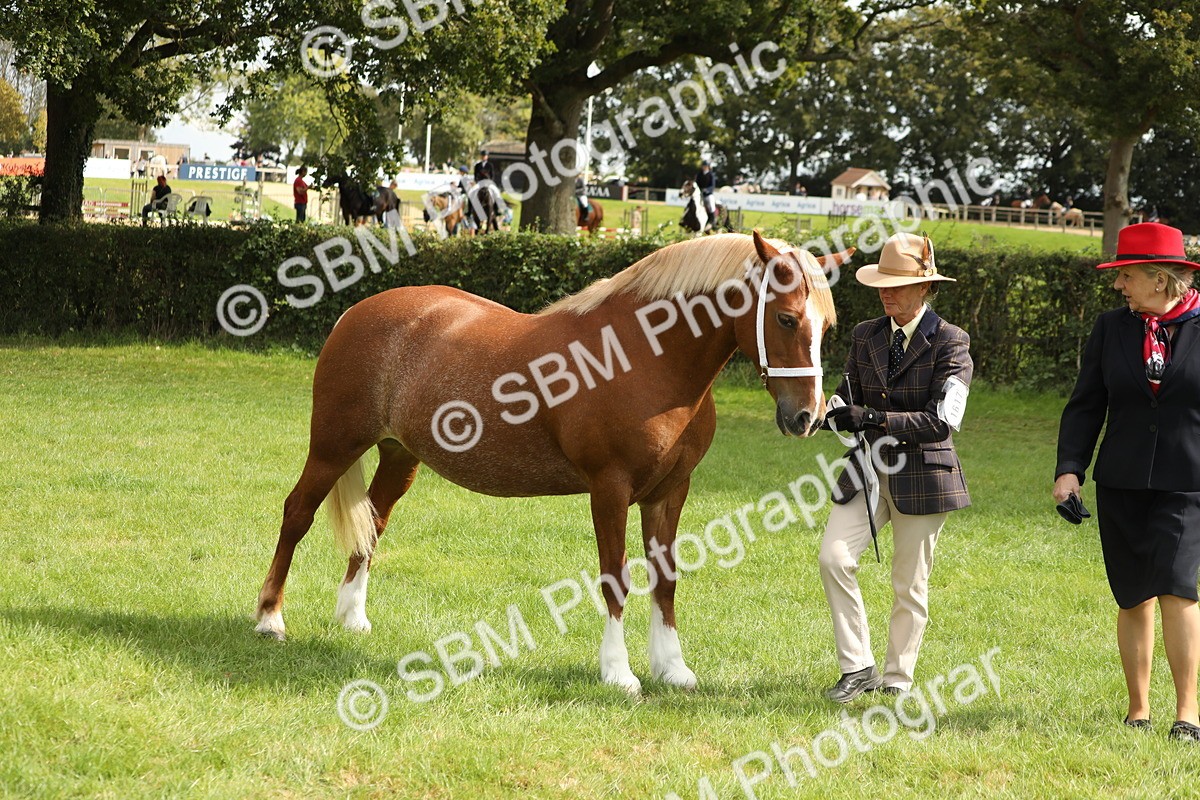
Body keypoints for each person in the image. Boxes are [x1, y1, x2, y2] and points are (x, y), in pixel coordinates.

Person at [1055, 222, 1200, 742]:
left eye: (1127, 275)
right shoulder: (1110, 328)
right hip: (1121, 479)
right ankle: (1138, 710)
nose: (1119, 285)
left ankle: (1188, 714)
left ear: (1160, 278)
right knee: (1132, 594)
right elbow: (1086, 404)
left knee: (1178, 589)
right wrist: (1069, 469)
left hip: (1189, 482)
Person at [818, 231, 972, 703]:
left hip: (926, 474)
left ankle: (897, 680)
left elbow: (942, 421)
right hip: (867, 469)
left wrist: (872, 418)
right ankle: (858, 666)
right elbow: (849, 396)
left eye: (896, 284)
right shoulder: (866, 334)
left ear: (924, 287)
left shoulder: (952, 341)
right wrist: (831, 414)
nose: (885, 291)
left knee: (909, 584)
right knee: (834, 558)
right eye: (881, 283)